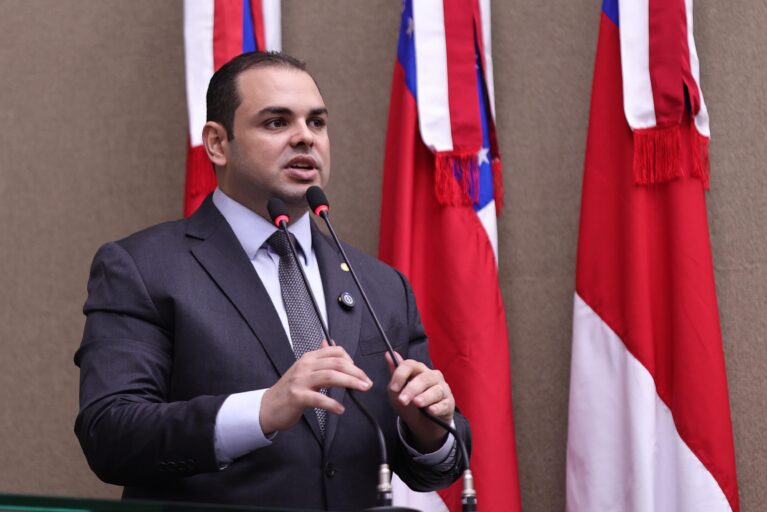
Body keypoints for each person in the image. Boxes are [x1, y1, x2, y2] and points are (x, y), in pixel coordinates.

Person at [74, 51, 470, 511]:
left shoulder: (381, 286)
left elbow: (434, 467)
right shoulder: (143, 268)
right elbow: (110, 433)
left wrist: (428, 430)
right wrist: (262, 411)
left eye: (317, 122)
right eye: (277, 122)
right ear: (217, 144)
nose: (305, 137)